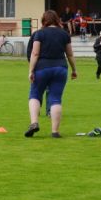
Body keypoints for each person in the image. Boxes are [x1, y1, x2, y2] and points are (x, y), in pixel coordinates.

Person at [26, 10, 77, 138]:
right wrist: (74, 70)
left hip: (42, 68)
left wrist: (31, 70)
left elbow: (35, 53)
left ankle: (34, 123)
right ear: (57, 20)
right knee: (55, 99)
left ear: (44, 20)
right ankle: (55, 131)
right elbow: (69, 54)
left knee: (35, 95)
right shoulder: (64, 34)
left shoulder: (39, 33)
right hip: (60, 68)